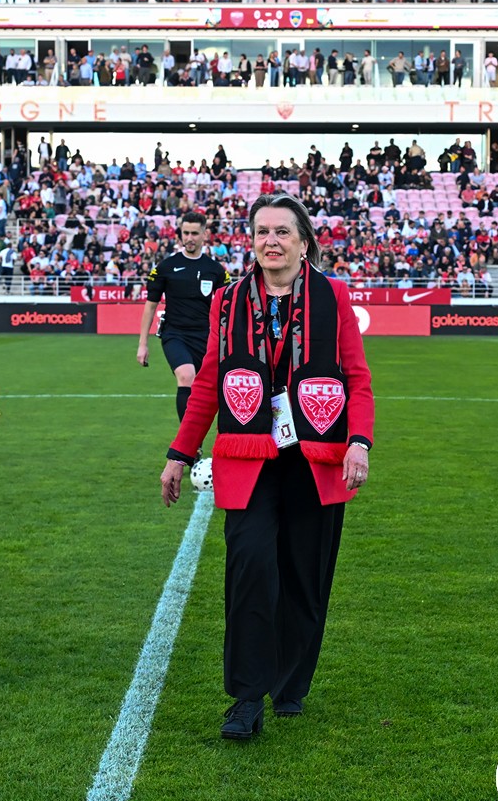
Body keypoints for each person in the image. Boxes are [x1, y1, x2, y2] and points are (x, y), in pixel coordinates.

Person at [159, 194, 374, 741]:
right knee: (250, 568)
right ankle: (247, 697)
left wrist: (359, 443)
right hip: (248, 458)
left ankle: (291, 683)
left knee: (305, 578)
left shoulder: (333, 295)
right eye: (261, 231)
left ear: (304, 242)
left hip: (316, 459)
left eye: (282, 231)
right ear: (250, 240)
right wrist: (180, 454)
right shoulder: (228, 300)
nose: (270, 241)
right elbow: (208, 384)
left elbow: (357, 378)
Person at [137, 213, 230, 425]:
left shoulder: (215, 270)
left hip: (205, 336)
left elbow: (227, 307)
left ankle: (202, 438)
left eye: (194, 233)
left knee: (206, 387)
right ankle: (189, 441)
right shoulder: (166, 267)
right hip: (174, 334)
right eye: (185, 233)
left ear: (204, 235)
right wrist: (142, 344)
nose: (189, 238)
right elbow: (150, 306)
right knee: (186, 376)